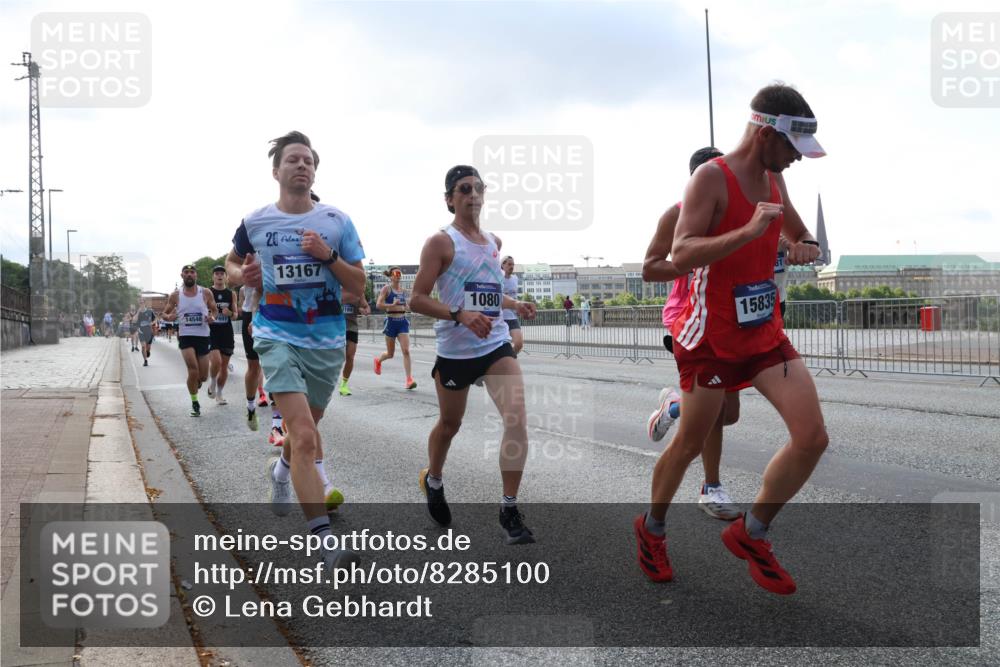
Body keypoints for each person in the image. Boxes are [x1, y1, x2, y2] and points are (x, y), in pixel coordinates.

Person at [634, 83, 827, 595]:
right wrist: (745, 232)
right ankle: (651, 529)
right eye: (792, 149)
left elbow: (798, 234)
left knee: (812, 438)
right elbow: (681, 254)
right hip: (709, 335)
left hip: (761, 328)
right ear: (767, 132)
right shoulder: (709, 180)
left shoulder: (773, 178)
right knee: (692, 443)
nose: (796, 161)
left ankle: (752, 533)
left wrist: (804, 245)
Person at [226, 130, 366, 572]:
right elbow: (231, 265)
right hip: (275, 335)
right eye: (293, 160)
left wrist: (327, 257)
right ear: (276, 170)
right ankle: (326, 545)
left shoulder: (336, 222)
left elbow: (358, 285)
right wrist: (241, 275)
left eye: (308, 160)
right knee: (305, 434)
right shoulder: (255, 223)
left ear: (314, 170)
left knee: (305, 431)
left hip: (325, 341)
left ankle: (281, 472)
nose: (302, 166)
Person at [409, 165, 538, 545]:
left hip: (495, 344)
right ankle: (434, 479)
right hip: (454, 350)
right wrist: (459, 315)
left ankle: (509, 507)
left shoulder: (494, 241)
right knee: (450, 424)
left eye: (479, 188)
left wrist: (515, 304)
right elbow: (416, 298)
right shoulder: (440, 243)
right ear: (450, 199)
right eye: (464, 189)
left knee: (516, 419)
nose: (473, 194)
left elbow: (488, 292)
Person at [643, 146, 741, 521]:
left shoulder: (737, 217)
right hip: (687, 320)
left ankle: (673, 405)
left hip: (728, 322)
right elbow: (652, 268)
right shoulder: (679, 214)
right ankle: (711, 488)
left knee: (728, 414)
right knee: (715, 412)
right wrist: (691, 263)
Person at [162, 264, 218, 416]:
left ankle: (198, 382)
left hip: (203, 336)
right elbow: (164, 314)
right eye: (186, 272)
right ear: (182, 275)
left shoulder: (205, 292)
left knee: (203, 376)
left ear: (196, 276)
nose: (189, 275)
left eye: (192, 272)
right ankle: (195, 403)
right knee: (193, 370)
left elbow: (214, 310)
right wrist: (169, 317)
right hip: (186, 336)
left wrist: (212, 317)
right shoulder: (175, 295)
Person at [374, 267, 416, 390]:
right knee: (390, 354)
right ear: (391, 276)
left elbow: (407, 306)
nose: (399, 275)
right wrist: (391, 305)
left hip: (402, 321)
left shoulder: (403, 291)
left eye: (400, 273)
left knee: (406, 351)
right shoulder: (386, 289)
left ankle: (409, 380)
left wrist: (411, 307)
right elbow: (378, 305)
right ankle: (378, 361)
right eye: (396, 273)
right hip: (391, 322)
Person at [207, 266, 239, 406]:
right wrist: (207, 316)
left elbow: (236, 315)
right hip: (211, 331)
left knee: (224, 366)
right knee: (216, 361)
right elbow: (201, 310)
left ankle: (219, 393)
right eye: (217, 274)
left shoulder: (231, 294)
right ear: (213, 277)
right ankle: (212, 382)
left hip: (226, 332)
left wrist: (230, 313)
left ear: (226, 277)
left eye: (222, 274)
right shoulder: (207, 292)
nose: (219, 276)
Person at [239, 283, 264, 430]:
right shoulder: (248, 261)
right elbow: (232, 278)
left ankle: (277, 424)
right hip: (251, 315)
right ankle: (250, 408)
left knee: (278, 365)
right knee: (254, 367)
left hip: (276, 310)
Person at [339, 290, 370, 396]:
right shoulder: (336, 289)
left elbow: (367, 308)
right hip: (336, 328)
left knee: (350, 356)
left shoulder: (358, 293)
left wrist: (364, 310)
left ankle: (344, 384)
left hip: (352, 327)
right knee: (336, 357)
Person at [500, 256, 523, 356]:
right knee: (501, 346)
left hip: (512, 317)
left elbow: (515, 297)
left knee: (518, 344)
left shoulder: (515, 278)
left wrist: (518, 307)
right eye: (509, 264)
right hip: (500, 318)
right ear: (502, 265)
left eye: (513, 264)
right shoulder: (497, 278)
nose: (512, 266)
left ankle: (510, 359)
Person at [136, 299, 157, 367]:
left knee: (148, 347)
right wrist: (137, 313)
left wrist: (152, 323)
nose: (141, 304)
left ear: (145, 303)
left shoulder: (150, 311)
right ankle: (145, 361)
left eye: (142, 303)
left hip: (149, 331)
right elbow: (134, 320)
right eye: (140, 303)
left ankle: (147, 351)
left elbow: (156, 319)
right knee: (143, 346)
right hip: (141, 331)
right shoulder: (138, 312)